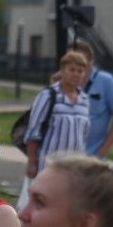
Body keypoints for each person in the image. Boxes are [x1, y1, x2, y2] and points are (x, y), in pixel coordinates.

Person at [24, 50, 91, 180]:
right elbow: (33, 131)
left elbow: (84, 135)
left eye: (80, 71)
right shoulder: (48, 95)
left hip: (74, 169)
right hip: (49, 166)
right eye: (71, 69)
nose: (76, 74)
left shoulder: (84, 100)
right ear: (62, 71)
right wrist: (32, 163)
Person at [73, 41, 113, 158]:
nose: (76, 68)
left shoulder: (106, 81)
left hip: (93, 155)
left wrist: (105, 148)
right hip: (66, 156)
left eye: (81, 63)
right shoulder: (65, 81)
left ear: (90, 62)